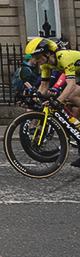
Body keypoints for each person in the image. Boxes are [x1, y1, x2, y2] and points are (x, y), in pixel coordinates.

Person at [24, 37, 80, 167]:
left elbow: (71, 84)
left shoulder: (64, 57)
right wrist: (34, 99)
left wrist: (58, 101)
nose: (35, 60)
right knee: (76, 112)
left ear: (48, 53)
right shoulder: (45, 64)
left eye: (37, 56)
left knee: (72, 95)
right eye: (33, 57)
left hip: (74, 81)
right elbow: (44, 86)